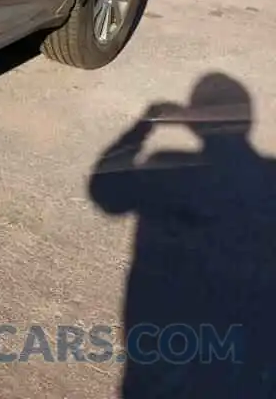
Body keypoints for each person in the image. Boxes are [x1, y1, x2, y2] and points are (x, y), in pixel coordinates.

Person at [88, 73, 276, 397]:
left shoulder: (167, 170)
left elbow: (105, 191)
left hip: (165, 363)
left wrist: (143, 126)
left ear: (193, 121)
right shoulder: (270, 179)